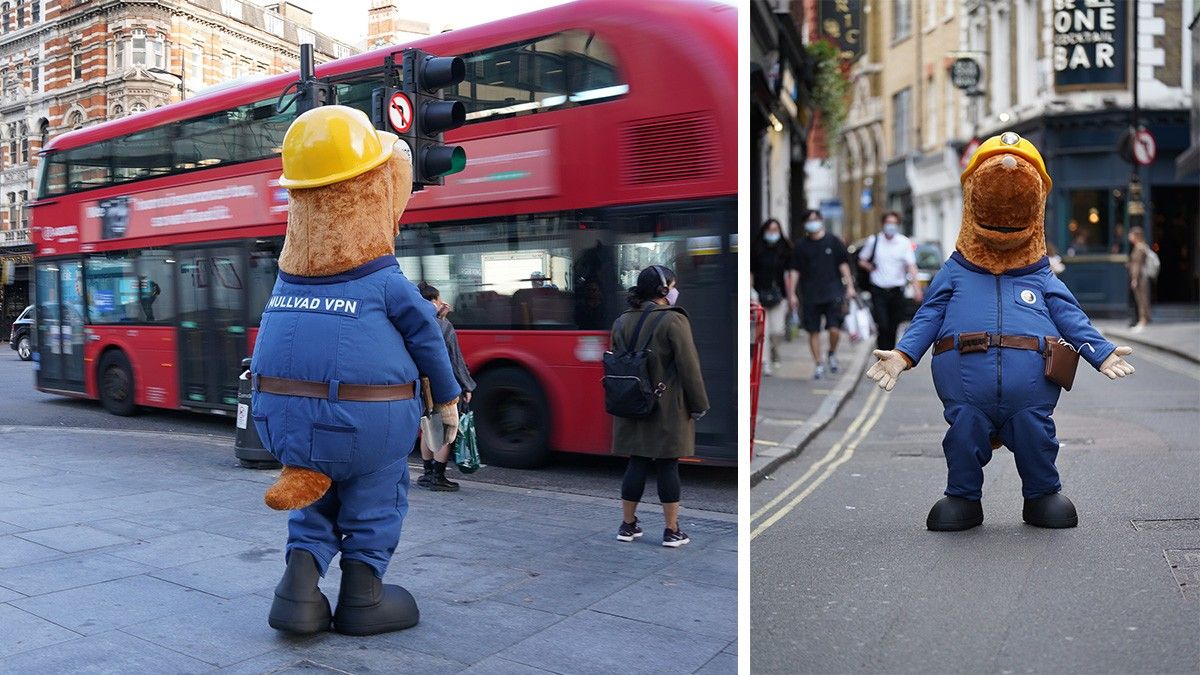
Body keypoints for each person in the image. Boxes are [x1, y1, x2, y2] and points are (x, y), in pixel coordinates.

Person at [612, 265, 709, 547]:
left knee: (637, 462)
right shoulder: (673, 321)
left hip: (631, 403)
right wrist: (699, 404)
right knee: (667, 465)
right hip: (667, 406)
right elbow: (689, 367)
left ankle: (628, 525)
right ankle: (671, 530)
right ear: (664, 290)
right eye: (674, 285)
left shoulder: (621, 321)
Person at [416, 283, 476, 490]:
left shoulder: (415, 322)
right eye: (439, 299)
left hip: (423, 385)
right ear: (433, 302)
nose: (443, 303)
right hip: (443, 384)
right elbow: (454, 359)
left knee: (428, 428)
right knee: (446, 430)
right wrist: (467, 386)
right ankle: (439, 477)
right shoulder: (445, 326)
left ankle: (426, 474)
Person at [787, 210, 855, 380]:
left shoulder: (833, 241)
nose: (813, 223)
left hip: (833, 292)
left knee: (834, 330)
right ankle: (818, 364)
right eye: (809, 220)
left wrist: (850, 287)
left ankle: (831, 353)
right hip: (810, 294)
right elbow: (795, 271)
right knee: (813, 331)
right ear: (804, 224)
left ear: (821, 221)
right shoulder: (801, 246)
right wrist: (792, 294)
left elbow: (843, 265)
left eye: (815, 219)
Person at [858, 211, 922, 351]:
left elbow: (911, 266)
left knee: (893, 326)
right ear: (883, 224)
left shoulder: (904, 242)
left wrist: (916, 288)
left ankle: (889, 354)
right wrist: (870, 267)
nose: (891, 226)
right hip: (878, 290)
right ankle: (881, 353)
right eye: (888, 223)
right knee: (883, 325)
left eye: (894, 223)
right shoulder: (874, 241)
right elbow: (862, 260)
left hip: (896, 291)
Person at [751, 218, 793, 375]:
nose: (772, 233)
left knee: (777, 331)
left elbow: (789, 275)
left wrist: (791, 296)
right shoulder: (756, 249)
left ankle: (775, 351)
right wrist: (751, 292)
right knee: (763, 332)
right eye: (769, 230)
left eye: (775, 230)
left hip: (779, 296)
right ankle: (765, 363)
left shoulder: (786, 249)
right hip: (760, 295)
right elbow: (751, 272)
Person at [1126, 226, 1152, 332]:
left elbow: (1137, 265)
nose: (1129, 237)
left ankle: (1143, 321)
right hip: (1140, 277)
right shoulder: (1142, 246)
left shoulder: (1139, 247)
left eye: (1131, 235)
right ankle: (1143, 320)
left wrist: (1135, 279)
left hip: (1140, 278)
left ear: (1136, 236)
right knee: (1142, 299)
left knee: (1141, 299)